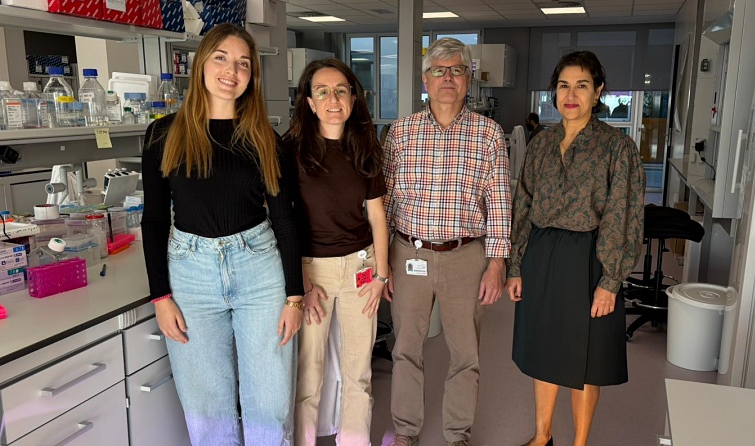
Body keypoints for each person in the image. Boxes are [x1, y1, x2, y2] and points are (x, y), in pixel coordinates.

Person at [141, 23, 303, 445]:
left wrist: (294, 297)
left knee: (270, 401)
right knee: (205, 406)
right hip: (190, 276)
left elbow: (285, 221)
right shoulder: (163, 134)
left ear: (252, 76)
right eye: (221, 58)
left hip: (259, 270)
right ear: (201, 64)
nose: (232, 71)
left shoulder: (265, 140)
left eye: (243, 64)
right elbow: (154, 220)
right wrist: (160, 297)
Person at [505, 50, 645, 446]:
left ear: (598, 91)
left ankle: (579, 443)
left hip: (590, 258)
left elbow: (624, 214)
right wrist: (515, 265)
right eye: (564, 86)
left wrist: (611, 281)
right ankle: (542, 436)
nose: (571, 95)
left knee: (586, 361)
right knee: (544, 351)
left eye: (581, 85)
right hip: (541, 254)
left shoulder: (616, 146)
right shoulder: (542, 143)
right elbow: (523, 204)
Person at [383, 37, 511, 446]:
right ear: (426, 79)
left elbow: (499, 203)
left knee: (465, 354)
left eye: (457, 70)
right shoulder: (401, 132)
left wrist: (496, 263)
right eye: (439, 71)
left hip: (465, 256)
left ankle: (458, 434)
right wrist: (381, 263)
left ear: (468, 78)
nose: (448, 78)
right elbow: (385, 201)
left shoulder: (488, 134)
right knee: (405, 348)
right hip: (408, 252)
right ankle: (406, 431)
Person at [283, 57, 389, 446]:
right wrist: (300, 283)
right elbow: (285, 220)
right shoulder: (291, 150)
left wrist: (381, 275)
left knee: (358, 371)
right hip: (313, 271)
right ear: (310, 102)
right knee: (309, 373)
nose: (333, 99)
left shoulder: (364, 146)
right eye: (323, 92)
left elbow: (377, 216)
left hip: (360, 268)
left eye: (341, 91)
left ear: (353, 99)